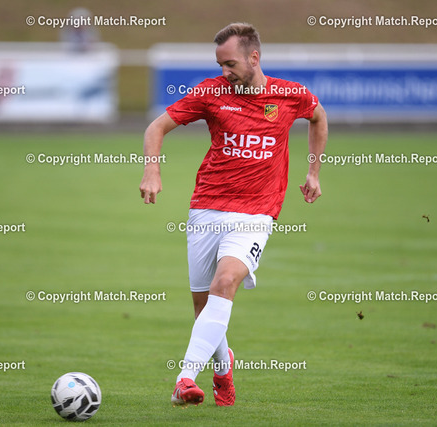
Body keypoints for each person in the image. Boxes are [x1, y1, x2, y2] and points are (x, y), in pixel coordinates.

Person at [139, 22, 328, 407]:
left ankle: (184, 379)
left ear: (253, 58)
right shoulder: (211, 93)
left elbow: (318, 117)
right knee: (203, 307)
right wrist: (152, 171)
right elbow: (156, 128)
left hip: (256, 215)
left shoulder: (289, 95)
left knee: (225, 283)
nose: (225, 72)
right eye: (220, 64)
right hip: (206, 208)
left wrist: (313, 171)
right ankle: (223, 369)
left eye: (230, 64)